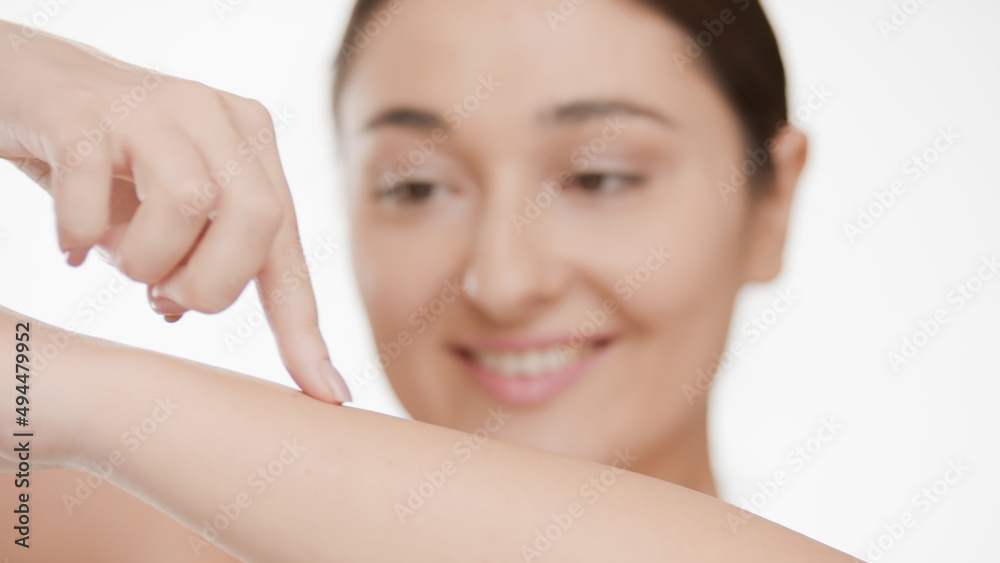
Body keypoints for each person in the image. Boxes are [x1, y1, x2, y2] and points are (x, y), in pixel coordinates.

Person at [0, 0, 857, 560]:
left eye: (600, 177)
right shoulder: (76, 529)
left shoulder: (86, 424)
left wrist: (69, 386)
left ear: (771, 201)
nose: (502, 277)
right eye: (416, 186)